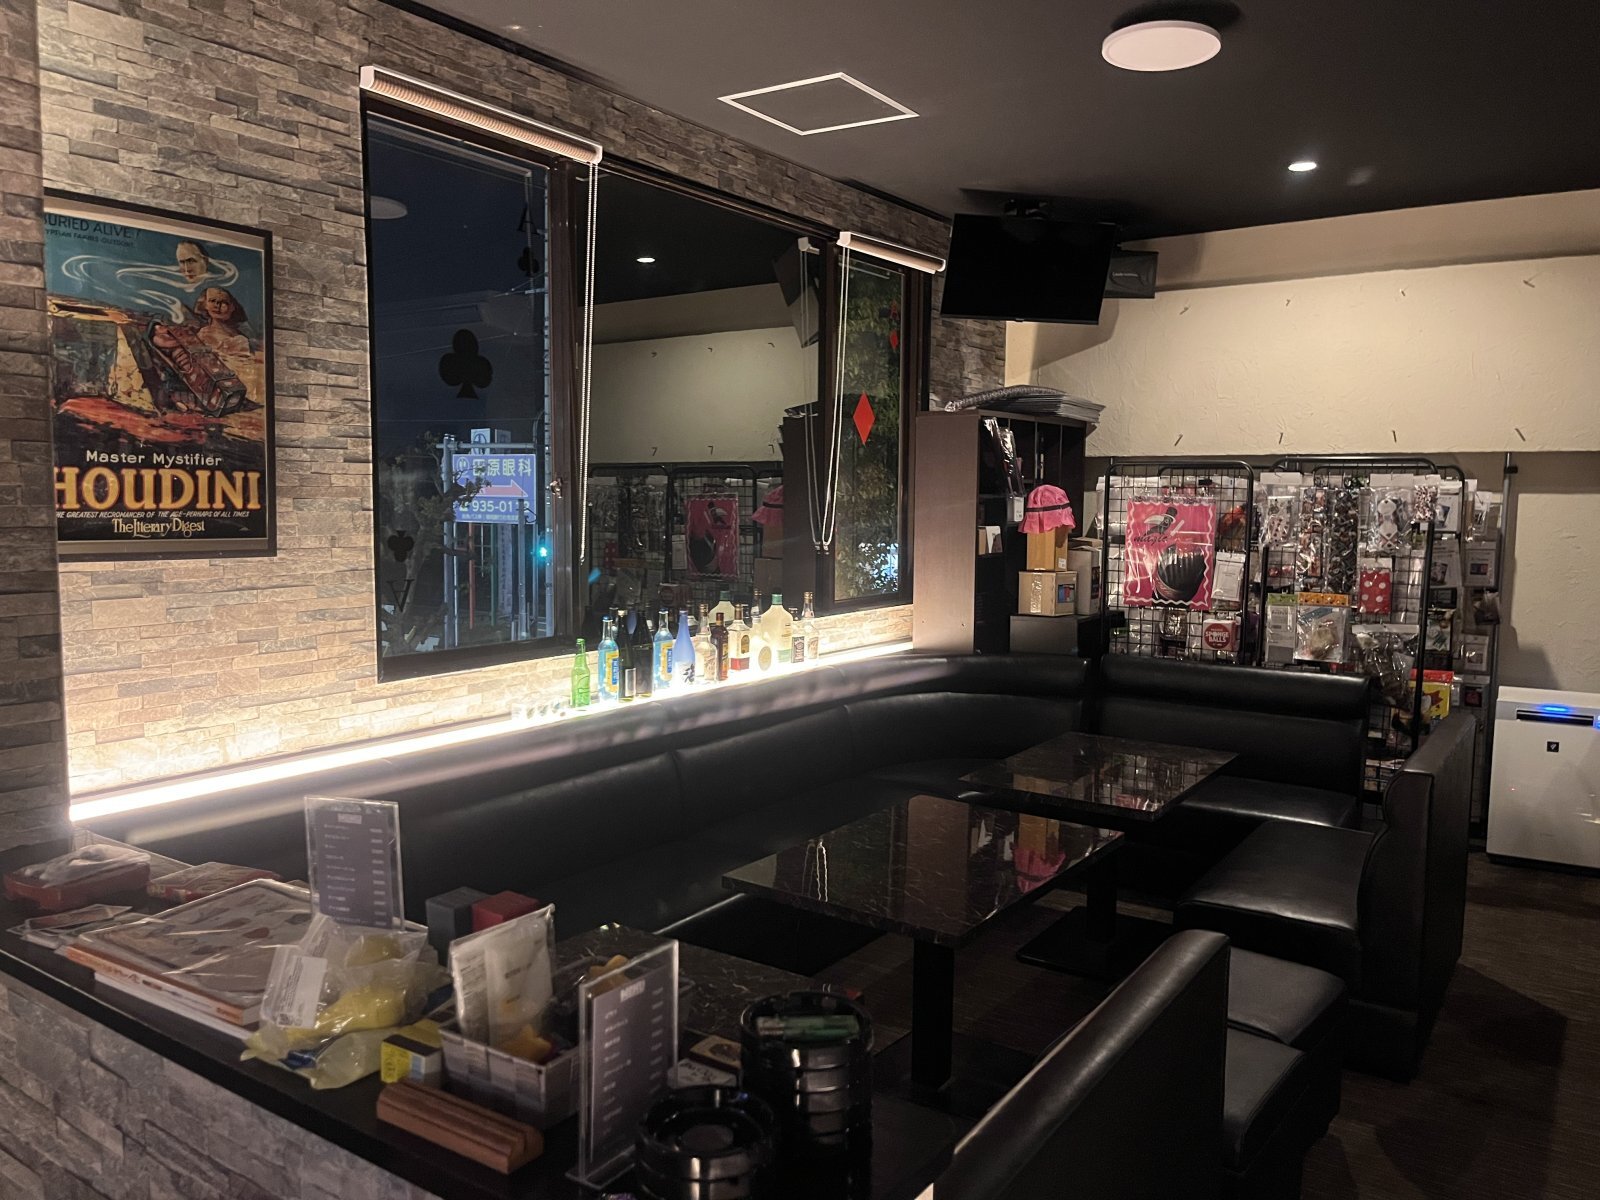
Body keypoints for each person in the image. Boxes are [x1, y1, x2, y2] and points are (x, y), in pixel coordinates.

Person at [194, 286, 251, 355]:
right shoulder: (203, 334)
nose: (217, 305)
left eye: (224, 302)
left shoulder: (240, 338)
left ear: (232, 307)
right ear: (205, 305)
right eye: (212, 301)